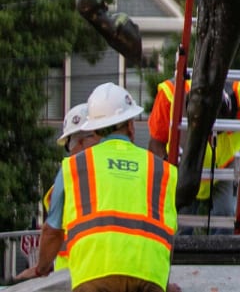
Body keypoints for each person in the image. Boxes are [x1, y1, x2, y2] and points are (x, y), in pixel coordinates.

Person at [28, 82, 178, 292]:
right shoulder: (162, 170)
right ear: (131, 126)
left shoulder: (74, 167)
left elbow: (52, 232)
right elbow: (167, 233)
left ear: (94, 130)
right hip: (149, 277)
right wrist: (162, 280)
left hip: (93, 277)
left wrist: (41, 268)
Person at [148, 76, 240, 222]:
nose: (213, 137)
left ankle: (224, 245)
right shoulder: (171, 94)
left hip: (225, 166)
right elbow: (155, 143)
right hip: (184, 166)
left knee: (226, 217)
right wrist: (167, 166)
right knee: (180, 223)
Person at [12, 104, 98, 282]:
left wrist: (39, 270)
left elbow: (52, 231)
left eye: (68, 146)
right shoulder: (133, 169)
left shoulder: (70, 171)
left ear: (80, 142)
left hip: (75, 277)